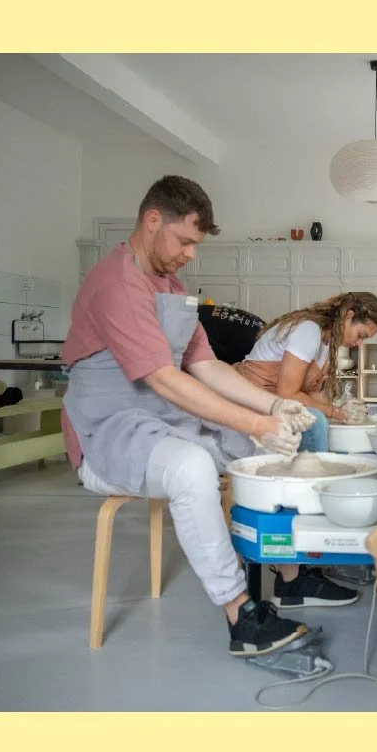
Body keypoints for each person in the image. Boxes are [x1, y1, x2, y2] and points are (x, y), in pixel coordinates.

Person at [61, 176, 317, 658]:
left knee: (256, 450)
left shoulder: (171, 285)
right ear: (152, 220)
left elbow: (205, 365)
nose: (190, 254)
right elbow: (165, 379)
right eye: (186, 241)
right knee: (192, 467)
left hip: (161, 420)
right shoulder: (117, 283)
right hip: (108, 432)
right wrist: (257, 421)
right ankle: (240, 613)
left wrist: (273, 407)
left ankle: (292, 576)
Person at [235, 292, 377, 608]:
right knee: (316, 422)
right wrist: (334, 411)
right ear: (349, 316)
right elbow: (288, 393)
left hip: (272, 405)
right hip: (247, 403)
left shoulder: (326, 344)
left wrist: (342, 408)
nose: (359, 344)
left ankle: (315, 554)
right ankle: (298, 573)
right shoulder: (308, 331)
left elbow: (307, 395)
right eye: (361, 335)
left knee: (322, 421)